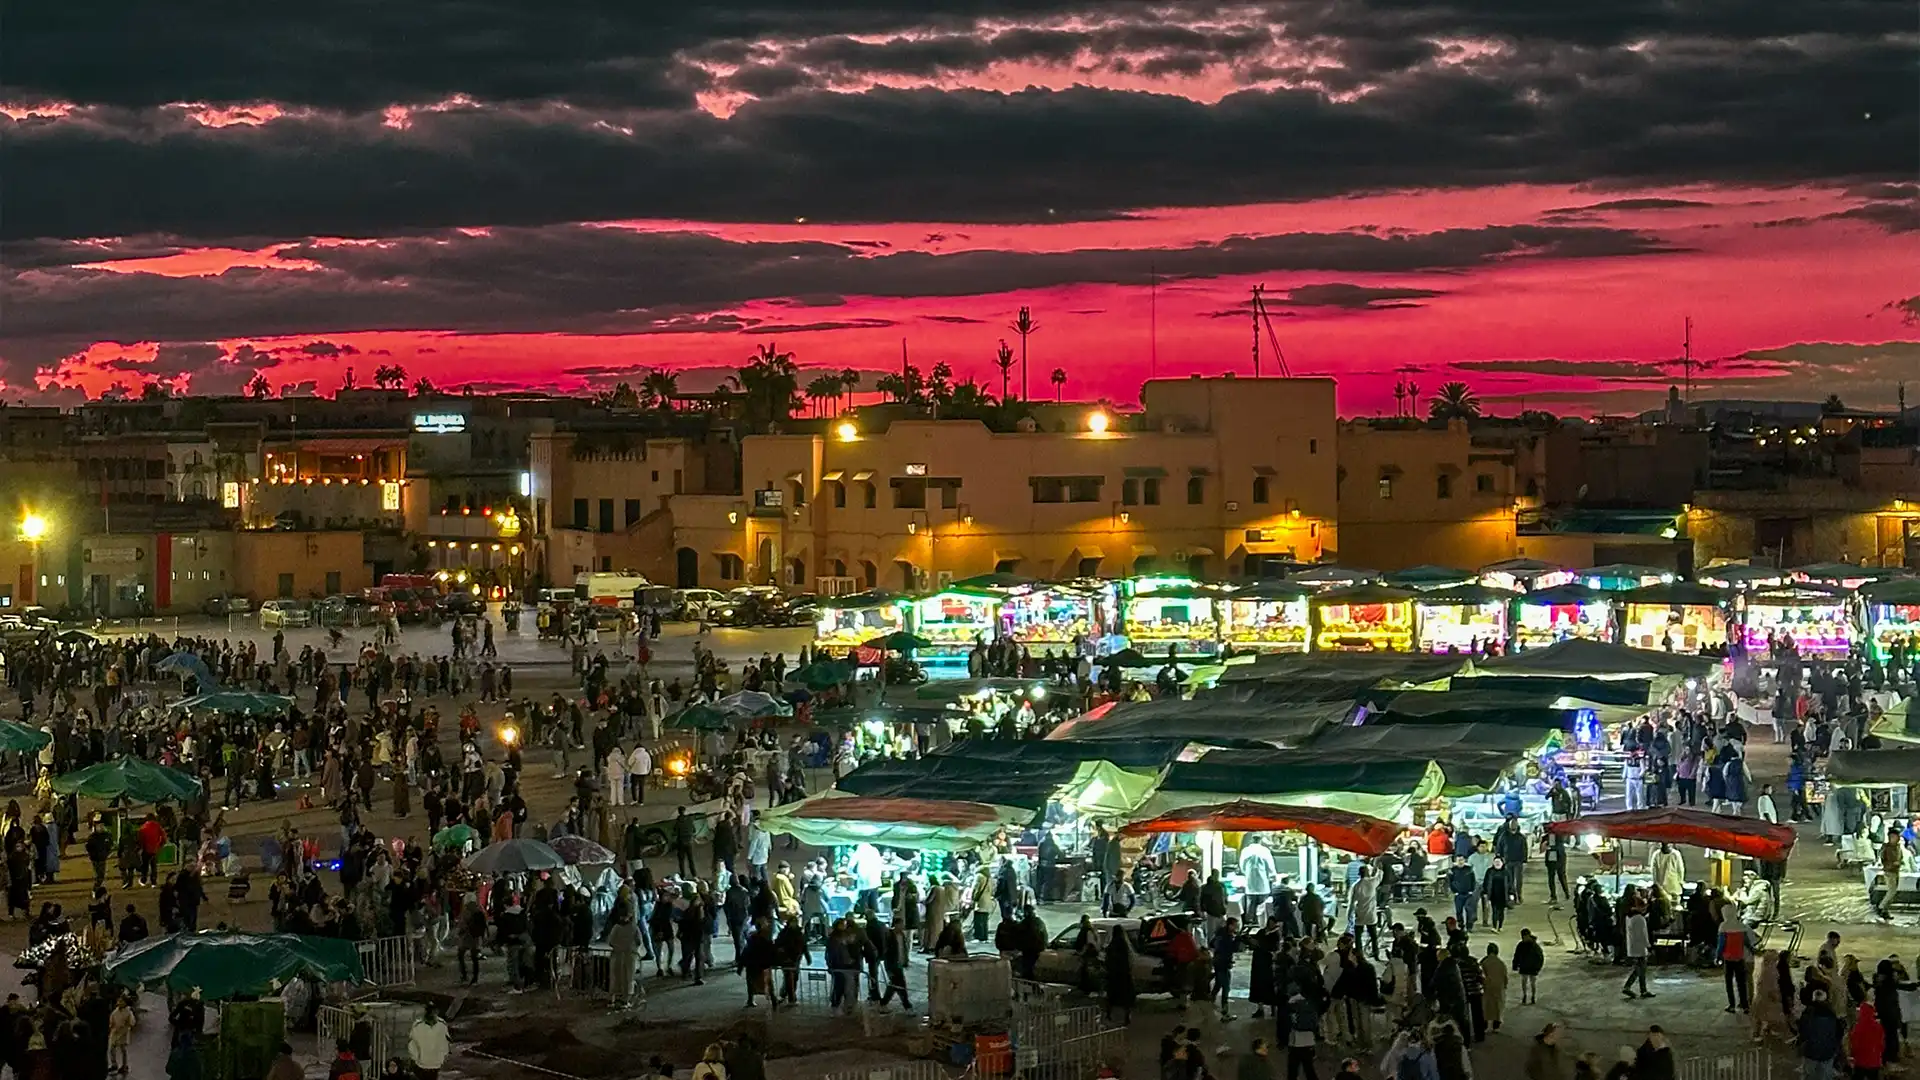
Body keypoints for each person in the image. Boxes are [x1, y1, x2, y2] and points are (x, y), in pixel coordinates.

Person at [1797, 989, 1844, 1080]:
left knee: (1809, 1076)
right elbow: (1839, 1034)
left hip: (1811, 1051)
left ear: (1813, 998)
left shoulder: (1807, 1013)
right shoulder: (1832, 1014)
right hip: (1827, 1052)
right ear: (1825, 999)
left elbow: (1803, 1032)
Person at [1719, 907, 1756, 1013]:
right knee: (1742, 982)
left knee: (1729, 982)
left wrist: (1718, 956)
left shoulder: (1723, 926)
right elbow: (1748, 943)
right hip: (1740, 958)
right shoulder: (1742, 926)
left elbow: (1721, 944)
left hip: (1728, 958)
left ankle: (1732, 1005)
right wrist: (1753, 951)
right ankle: (1745, 1005)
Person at [406, 1005, 450, 1080]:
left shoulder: (442, 1025)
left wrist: (442, 1056)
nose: (432, 1013)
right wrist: (417, 1057)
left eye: (434, 1011)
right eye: (430, 1011)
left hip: (436, 1064)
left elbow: (446, 1042)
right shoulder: (418, 1025)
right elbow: (412, 1043)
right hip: (421, 1064)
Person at [1622, 901, 1652, 999]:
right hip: (1640, 947)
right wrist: (1648, 946)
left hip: (1632, 946)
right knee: (1641, 969)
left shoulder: (1629, 917)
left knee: (1639, 969)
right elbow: (1643, 935)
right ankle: (1635, 988)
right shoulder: (1640, 919)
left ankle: (1639, 989)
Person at [1853, 1001, 1887, 1080]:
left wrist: (1854, 1054)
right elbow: (1882, 1044)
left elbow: (1854, 1043)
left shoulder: (1858, 1026)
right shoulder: (1878, 1026)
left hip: (1860, 1060)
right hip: (1874, 1060)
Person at [1482, 943, 1509, 1032]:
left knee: (1486, 1006)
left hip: (1487, 987)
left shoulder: (1484, 962)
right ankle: (1496, 1026)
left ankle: (1485, 1026)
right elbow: (1505, 975)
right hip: (1498, 987)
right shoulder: (1500, 963)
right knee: (1498, 1007)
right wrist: (1505, 985)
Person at [1514, 928, 1543, 1005]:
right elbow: (1516, 955)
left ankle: (1533, 996)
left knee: (1532, 983)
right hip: (1524, 966)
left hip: (1532, 967)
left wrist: (1538, 967)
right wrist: (1515, 965)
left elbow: (1540, 957)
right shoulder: (1522, 945)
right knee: (1524, 982)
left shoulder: (1534, 946)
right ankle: (1525, 995)